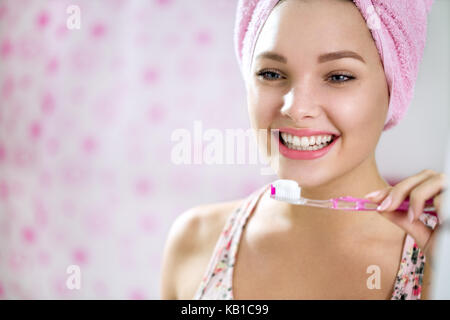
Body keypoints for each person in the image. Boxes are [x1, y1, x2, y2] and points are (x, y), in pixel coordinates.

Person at [160, 0, 446, 300]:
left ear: (393, 87)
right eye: (271, 74)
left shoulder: (436, 255)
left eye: (338, 77)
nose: (295, 108)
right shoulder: (195, 241)